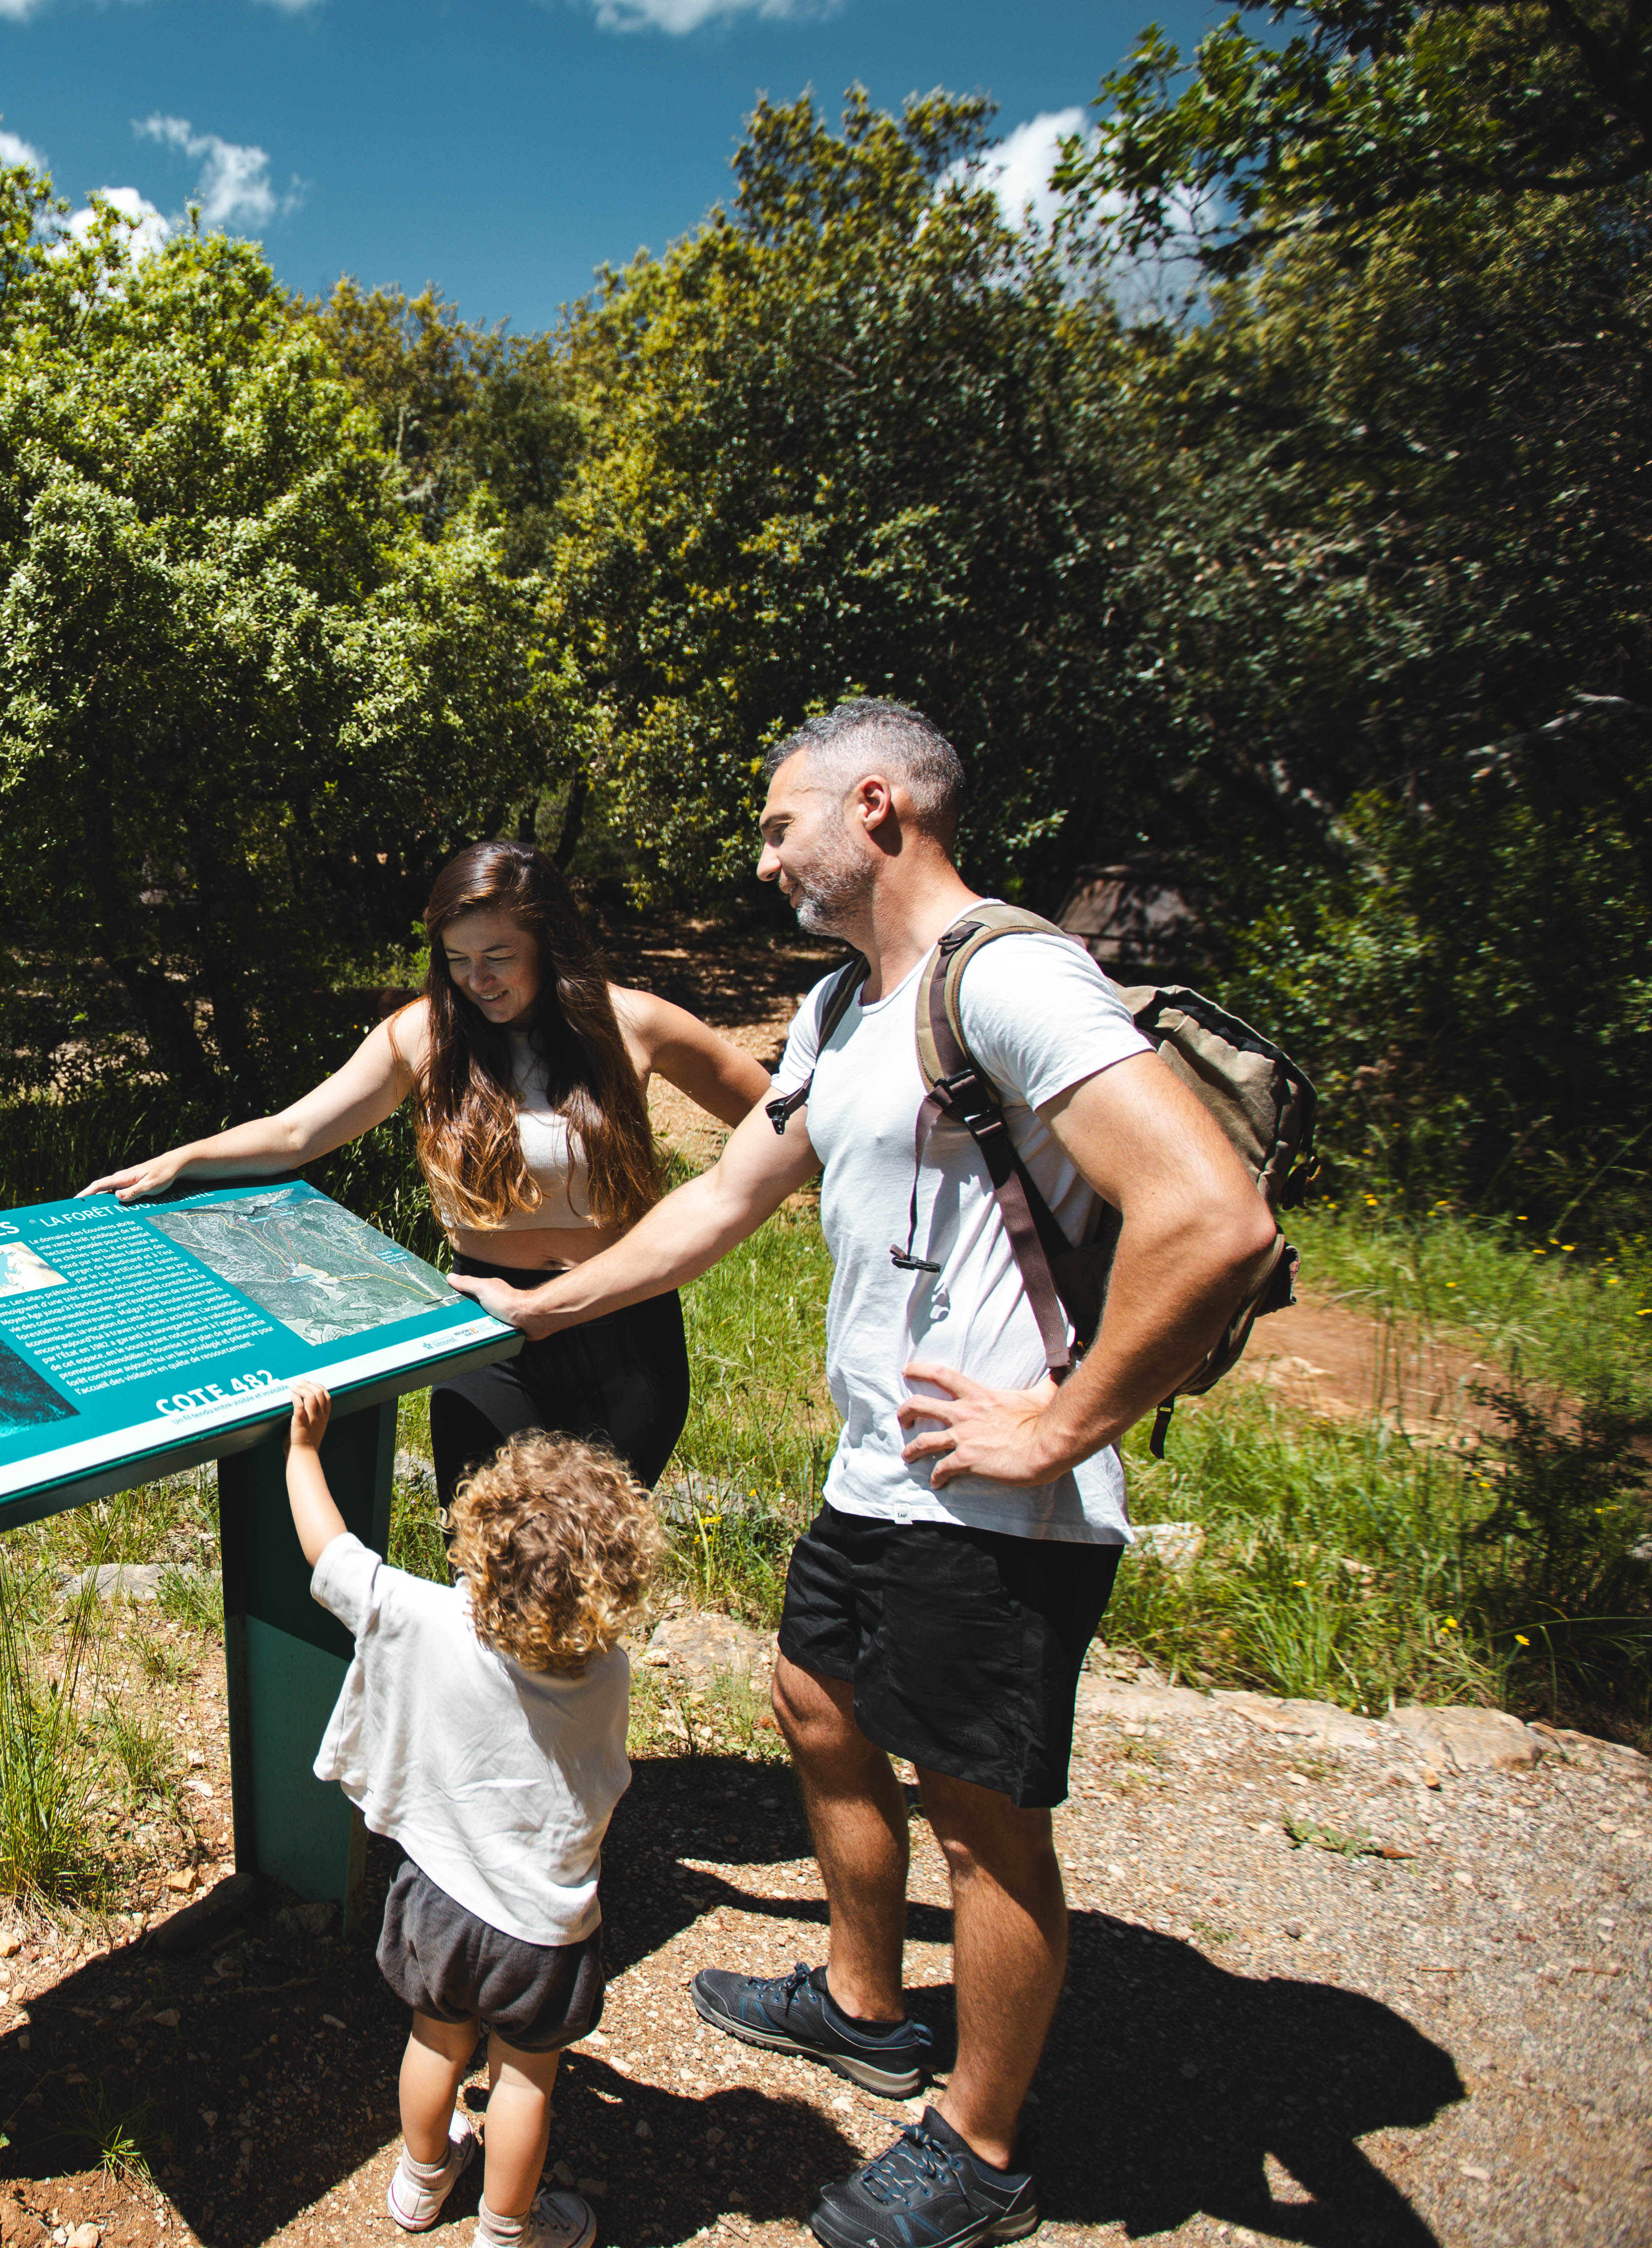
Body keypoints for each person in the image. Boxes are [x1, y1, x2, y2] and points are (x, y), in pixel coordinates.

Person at [450, 701, 1278, 2248]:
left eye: (780, 826)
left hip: (999, 1493)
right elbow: (725, 1198)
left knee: (981, 1819)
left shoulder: (1016, 979)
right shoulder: (842, 1008)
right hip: (878, 1467)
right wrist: (535, 1307)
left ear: (878, 808)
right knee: (816, 1705)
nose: (764, 857)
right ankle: (861, 2001)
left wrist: (1061, 1426)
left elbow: (1213, 1219)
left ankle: (980, 2149)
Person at [86, 840, 769, 1506]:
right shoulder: (424, 1033)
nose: (479, 979)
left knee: (595, 1575)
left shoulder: (634, 1022)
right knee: (482, 1566)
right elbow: (297, 1132)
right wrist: (183, 1158)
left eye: (500, 956)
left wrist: (712, 1200)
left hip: (623, 1318)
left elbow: (780, 1115)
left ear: (549, 942)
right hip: (484, 1329)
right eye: (458, 959)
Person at [279, 1378, 655, 2248]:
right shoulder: (605, 1675)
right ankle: (504, 2230)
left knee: (435, 2045)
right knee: (525, 2082)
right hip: (541, 1928)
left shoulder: (427, 1619)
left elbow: (330, 1553)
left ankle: (419, 2182)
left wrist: (304, 1452)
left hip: (439, 1901)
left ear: (479, 1536)